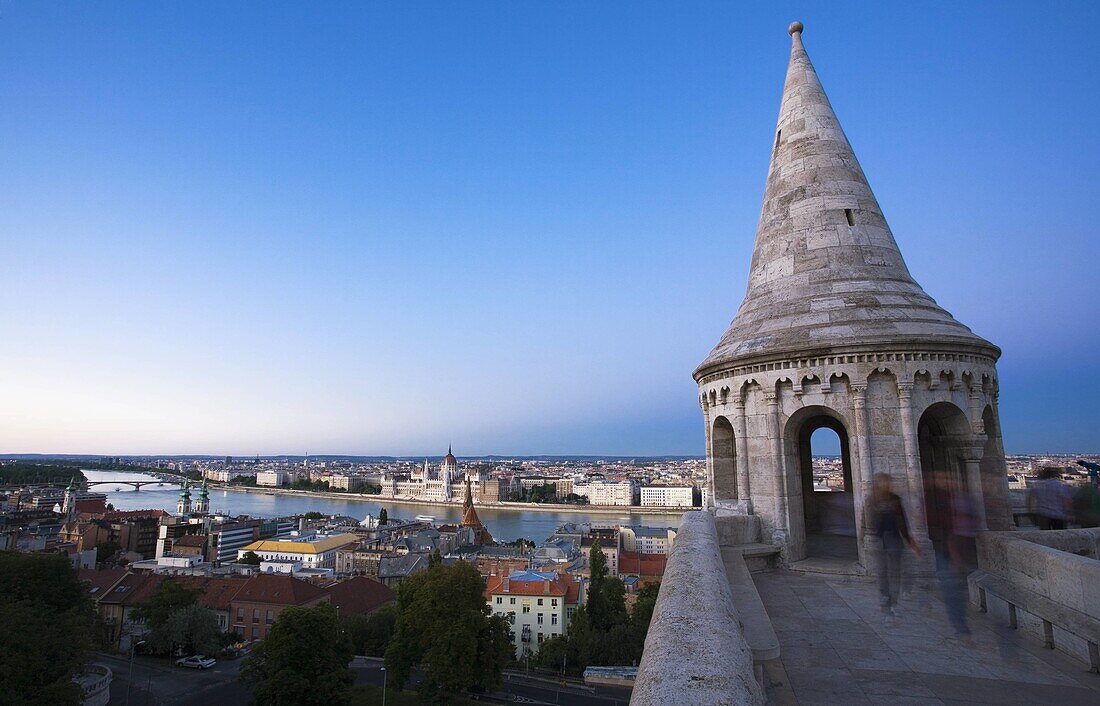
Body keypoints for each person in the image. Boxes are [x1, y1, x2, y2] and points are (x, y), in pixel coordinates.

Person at [869, 473, 920, 618]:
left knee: (893, 572)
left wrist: (910, 540)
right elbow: (868, 520)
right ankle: (885, 597)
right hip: (880, 540)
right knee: (883, 572)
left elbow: (902, 521)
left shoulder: (894, 499)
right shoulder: (873, 500)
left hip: (893, 539)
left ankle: (892, 602)